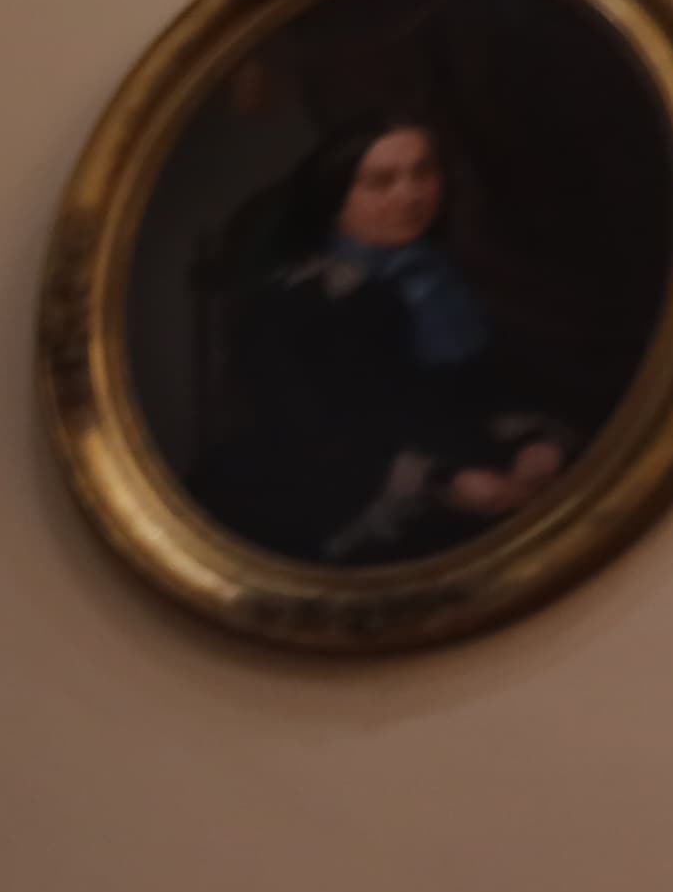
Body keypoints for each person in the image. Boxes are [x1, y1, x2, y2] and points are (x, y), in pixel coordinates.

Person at [193, 119, 577, 564]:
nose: (410, 196)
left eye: (422, 173)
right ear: (335, 197)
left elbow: (492, 392)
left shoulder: (450, 283)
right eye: (381, 182)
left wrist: (533, 444)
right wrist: (442, 481)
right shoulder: (297, 302)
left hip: (473, 485)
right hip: (325, 507)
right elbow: (306, 436)